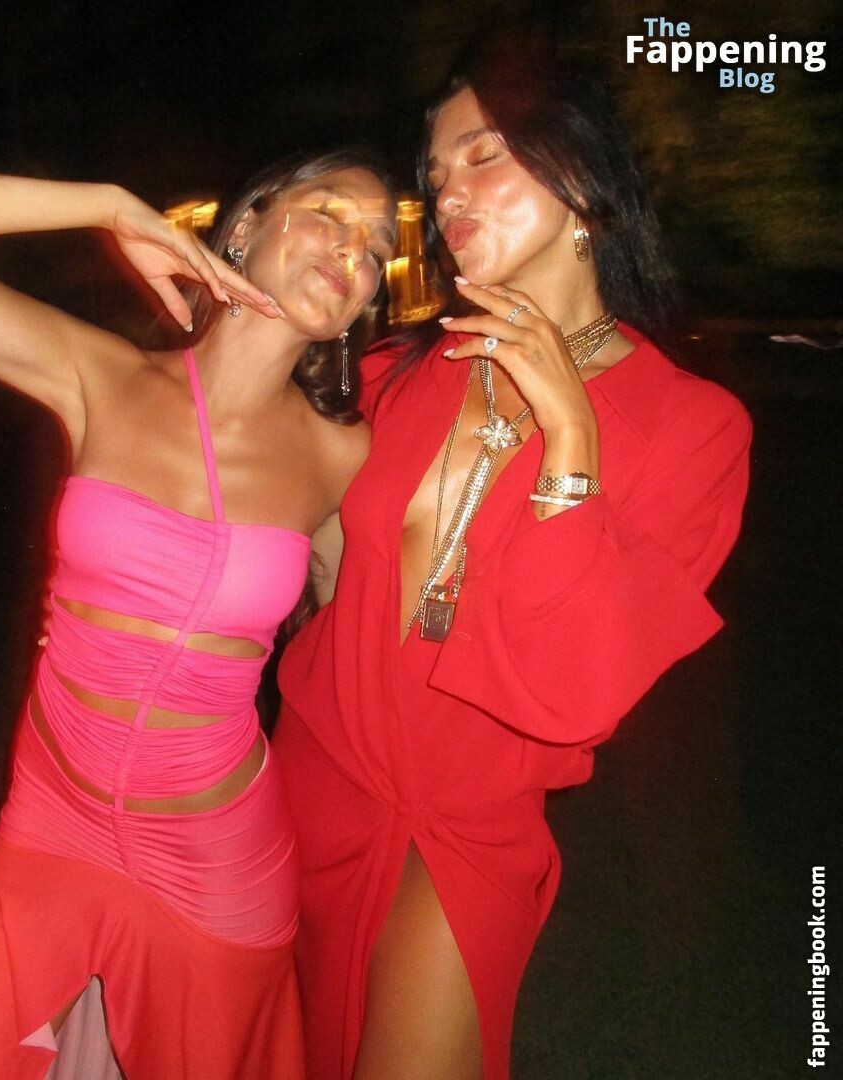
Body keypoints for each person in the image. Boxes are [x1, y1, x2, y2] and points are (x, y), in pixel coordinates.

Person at [0, 150, 396, 1079]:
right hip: (51, 822)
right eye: (329, 211)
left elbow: (380, 637)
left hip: (216, 861)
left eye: (376, 246)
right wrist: (104, 205)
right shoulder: (100, 373)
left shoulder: (345, 456)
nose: (354, 250)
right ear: (247, 224)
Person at [274, 34, 752, 1080]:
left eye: (483, 154)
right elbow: (303, 553)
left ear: (579, 178)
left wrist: (570, 437)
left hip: (466, 825)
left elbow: (574, 693)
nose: (446, 192)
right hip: (311, 778)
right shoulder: (396, 370)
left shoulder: (692, 428)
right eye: (436, 171)